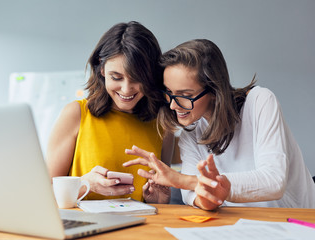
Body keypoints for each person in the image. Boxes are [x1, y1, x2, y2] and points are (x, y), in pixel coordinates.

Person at [124, 39, 315, 210]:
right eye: (169, 92)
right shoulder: (190, 133)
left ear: (214, 90)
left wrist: (182, 180)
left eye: (185, 95)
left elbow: (274, 181)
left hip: (297, 220)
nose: (173, 105)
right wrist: (207, 195)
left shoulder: (260, 102)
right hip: (242, 226)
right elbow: (194, 197)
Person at [46, 21, 173, 203]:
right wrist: (84, 185)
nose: (126, 89)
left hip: (140, 227)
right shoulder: (76, 113)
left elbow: (161, 197)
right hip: (87, 227)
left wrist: (158, 199)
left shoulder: (162, 124)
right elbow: (44, 193)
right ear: (101, 68)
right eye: (116, 77)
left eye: (137, 79)